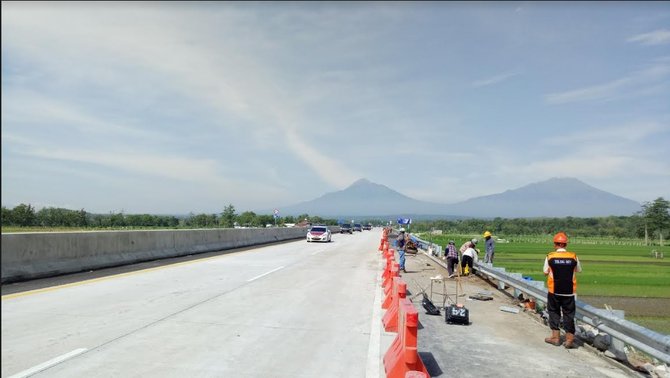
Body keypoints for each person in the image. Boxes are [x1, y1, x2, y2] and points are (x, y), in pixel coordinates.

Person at [543, 232, 582, 349]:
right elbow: (578, 270)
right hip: (569, 291)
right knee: (569, 315)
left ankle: (555, 338)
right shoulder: (573, 256)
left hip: (554, 291)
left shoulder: (550, 256)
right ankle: (569, 340)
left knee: (554, 312)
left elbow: (545, 272)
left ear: (555, 244)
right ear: (565, 244)